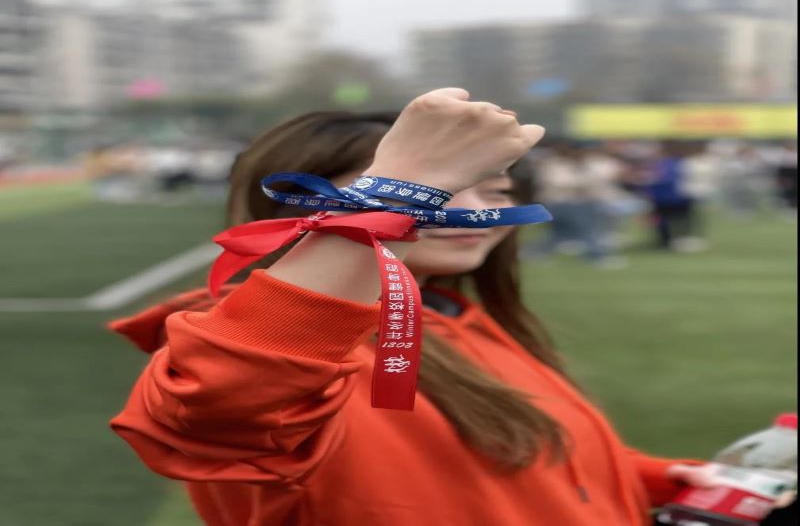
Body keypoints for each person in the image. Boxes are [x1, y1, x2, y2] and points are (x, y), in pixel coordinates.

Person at [110, 88, 718, 526]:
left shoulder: (456, 318)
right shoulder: (279, 349)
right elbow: (218, 410)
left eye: (496, 190)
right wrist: (396, 193)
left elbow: (514, 462)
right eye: (442, 191)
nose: (476, 212)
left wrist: (656, 481)